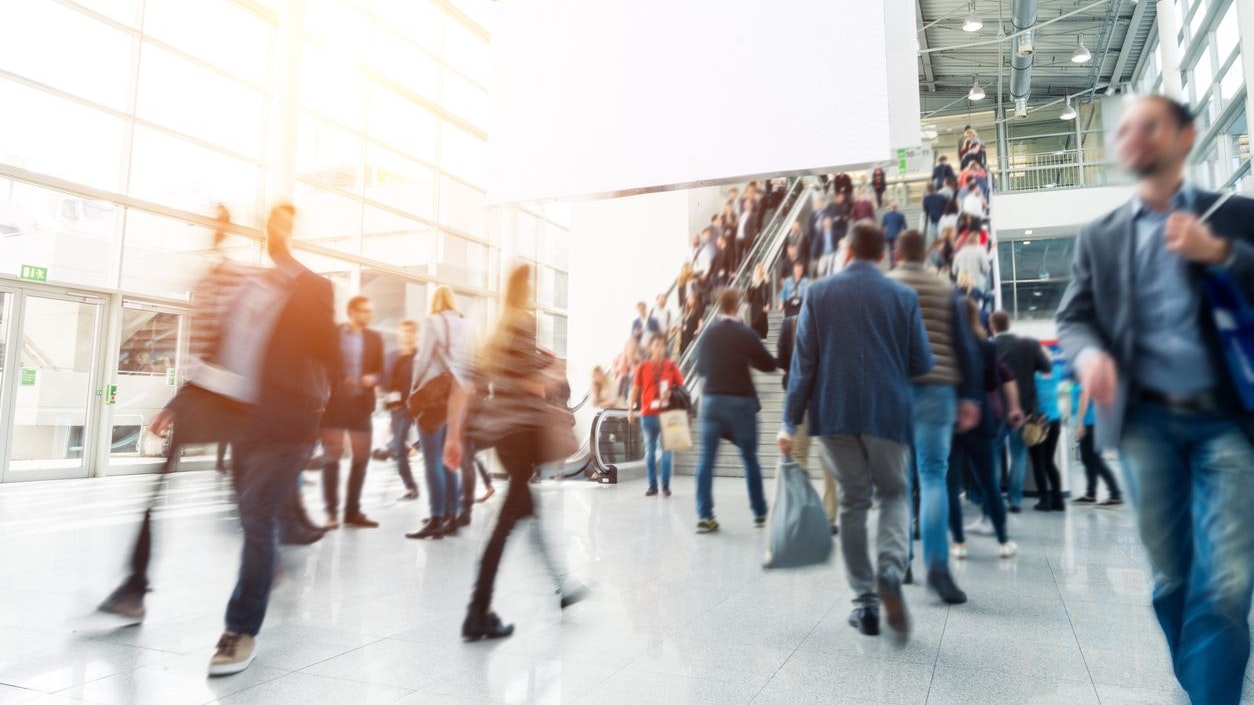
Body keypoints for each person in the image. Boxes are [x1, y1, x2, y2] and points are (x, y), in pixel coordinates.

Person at [1056, 95, 1254, 705]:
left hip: (1226, 420)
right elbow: (1074, 318)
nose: (1133, 138)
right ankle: (1205, 675)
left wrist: (1218, 254)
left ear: (1186, 136)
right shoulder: (1102, 237)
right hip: (1144, 426)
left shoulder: (1237, 216)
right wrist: (1088, 356)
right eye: (1125, 130)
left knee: (1223, 583)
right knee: (1172, 579)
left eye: (1150, 126)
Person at [780, 222, 932, 639]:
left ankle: (864, 602)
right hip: (888, 414)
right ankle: (889, 570)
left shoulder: (818, 293)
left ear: (846, 250)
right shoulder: (903, 296)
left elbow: (803, 365)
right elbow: (921, 363)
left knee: (852, 503)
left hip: (836, 414)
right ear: (883, 255)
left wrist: (790, 421)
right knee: (895, 494)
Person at [208, 202, 340, 676]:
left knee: (258, 518)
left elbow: (330, 353)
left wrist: (331, 421)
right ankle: (267, 570)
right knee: (252, 518)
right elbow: (226, 350)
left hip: (286, 425)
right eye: (270, 222)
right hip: (244, 422)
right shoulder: (251, 286)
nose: (275, 230)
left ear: (293, 231)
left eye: (284, 223)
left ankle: (240, 629)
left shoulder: (314, 287)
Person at [445, 264, 584, 641]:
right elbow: (530, 383)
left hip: (504, 439)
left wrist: (454, 437)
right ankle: (477, 611)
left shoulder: (497, 329)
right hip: (521, 436)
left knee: (527, 515)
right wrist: (553, 374)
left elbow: (470, 385)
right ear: (526, 288)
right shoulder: (522, 323)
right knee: (507, 525)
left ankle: (562, 586)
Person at [889, 230, 982, 604]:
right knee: (932, 478)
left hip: (895, 392)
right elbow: (965, 345)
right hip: (937, 390)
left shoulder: (887, 286)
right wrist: (970, 395)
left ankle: (902, 563)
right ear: (925, 253)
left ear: (897, 252)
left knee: (898, 481)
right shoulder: (943, 286)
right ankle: (938, 569)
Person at [691, 288, 777, 534]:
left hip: (712, 403)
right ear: (737, 306)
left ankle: (705, 516)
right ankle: (760, 512)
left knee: (706, 460)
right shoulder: (745, 334)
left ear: (719, 307)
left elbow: (700, 369)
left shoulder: (708, 335)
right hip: (741, 403)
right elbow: (768, 364)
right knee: (750, 459)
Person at [947, 297, 1022, 561]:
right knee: (989, 482)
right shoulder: (987, 347)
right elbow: (992, 384)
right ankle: (1003, 540)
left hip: (951, 419)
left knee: (951, 485)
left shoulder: (946, 348)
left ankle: (958, 543)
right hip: (981, 418)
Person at [406, 285, 477, 539]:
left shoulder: (433, 322)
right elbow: (471, 364)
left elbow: (423, 359)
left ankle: (437, 516)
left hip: (435, 397)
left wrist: (414, 388)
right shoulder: (467, 326)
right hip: (457, 397)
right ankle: (452, 514)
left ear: (435, 301)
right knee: (451, 457)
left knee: (432, 459)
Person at [320, 295, 383, 530]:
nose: (369, 315)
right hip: (335, 405)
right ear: (352, 311)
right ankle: (331, 514)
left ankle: (352, 511)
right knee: (331, 459)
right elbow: (323, 366)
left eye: (370, 311)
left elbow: (380, 372)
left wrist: (371, 379)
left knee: (361, 459)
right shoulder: (333, 335)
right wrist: (338, 380)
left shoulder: (375, 339)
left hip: (361, 405)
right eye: (365, 311)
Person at [776, 297, 838, 534]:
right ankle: (829, 518)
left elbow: (782, 359)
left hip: (799, 400)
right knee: (829, 462)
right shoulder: (831, 326)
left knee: (799, 457)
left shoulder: (789, 325)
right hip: (826, 400)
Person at [990, 311, 1051, 513]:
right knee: (1018, 454)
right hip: (1023, 409)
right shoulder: (1028, 344)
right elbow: (1047, 366)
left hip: (996, 409)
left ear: (992, 327)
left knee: (993, 454)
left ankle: (994, 498)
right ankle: (1015, 500)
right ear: (1009, 324)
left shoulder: (988, 347)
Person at [628, 335, 685, 497]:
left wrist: (672, 392)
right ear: (650, 348)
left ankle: (665, 486)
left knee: (667, 451)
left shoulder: (671, 366)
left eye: (662, 345)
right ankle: (652, 485)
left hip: (667, 414)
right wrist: (631, 409)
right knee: (650, 451)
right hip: (648, 415)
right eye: (656, 345)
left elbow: (682, 387)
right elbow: (635, 389)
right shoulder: (642, 367)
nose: (660, 348)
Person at [1070, 377, 1123, 506]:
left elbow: (1085, 398)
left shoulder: (1087, 378)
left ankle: (1115, 494)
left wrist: (1080, 423)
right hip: (1089, 423)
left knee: (1095, 459)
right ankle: (1090, 493)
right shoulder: (1080, 379)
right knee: (1087, 459)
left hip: (1090, 423)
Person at [384, 319, 420, 501]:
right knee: (397, 447)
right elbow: (390, 387)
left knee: (398, 445)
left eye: (410, 332)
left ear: (415, 334)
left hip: (411, 409)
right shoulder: (393, 356)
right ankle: (411, 485)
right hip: (396, 409)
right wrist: (390, 419)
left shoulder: (419, 356)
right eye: (404, 331)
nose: (407, 335)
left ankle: (412, 487)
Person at [1029, 359, 1065, 512]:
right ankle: (1058, 501)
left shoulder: (1033, 376)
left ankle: (1044, 501)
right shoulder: (1056, 373)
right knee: (1049, 462)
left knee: (1038, 463)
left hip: (1038, 422)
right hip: (1055, 421)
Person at [746, 264, 770, 339]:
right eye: (758, 271)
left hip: (762, 306)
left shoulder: (765, 282)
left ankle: (762, 340)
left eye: (761, 270)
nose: (760, 272)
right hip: (754, 307)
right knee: (754, 325)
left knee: (763, 326)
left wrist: (768, 305)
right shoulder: (752, 283)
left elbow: (769, 295)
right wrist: (751, 288)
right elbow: (749, 298)